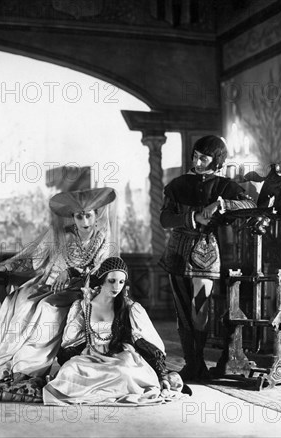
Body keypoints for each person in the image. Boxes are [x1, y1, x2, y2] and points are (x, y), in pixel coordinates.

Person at [0, 187, 119, 401]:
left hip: (81, 290)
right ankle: (5, 364)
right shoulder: (61, 235)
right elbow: (34, 257)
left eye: (88, 215)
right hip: (48, 284)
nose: (84, 221)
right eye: (79, 216)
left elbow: (102, 272)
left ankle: (28, 368)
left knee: (46, 309)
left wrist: (71, 272)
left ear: (96, 215)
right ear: (73, 217)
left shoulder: (103, 239)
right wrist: (6, 268)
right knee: (21, 301)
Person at [159, 135, 256, 381]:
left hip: (206, 253)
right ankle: (193, 364)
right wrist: (192, 217)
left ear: (217, 161)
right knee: (182, 311)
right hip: (177, 253)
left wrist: (220, 204)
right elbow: (164, 220)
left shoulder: (225, 186)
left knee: (199, 309)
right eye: (195, 155)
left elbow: (249, 206)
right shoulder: (176, 184)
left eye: (204, 157)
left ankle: (198, 360)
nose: (197, 161)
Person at [43, 256, 190, 405]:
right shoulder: (83, 307)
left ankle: (106, 387)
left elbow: (146, 341)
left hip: (120, 355)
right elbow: (70, 343)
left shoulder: (130, 308)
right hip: (90, 356)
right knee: (70, 370)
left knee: (125, 372)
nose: (116, 287)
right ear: (102, 280)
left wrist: (161, 373)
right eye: (111, 281)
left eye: (121, 282)